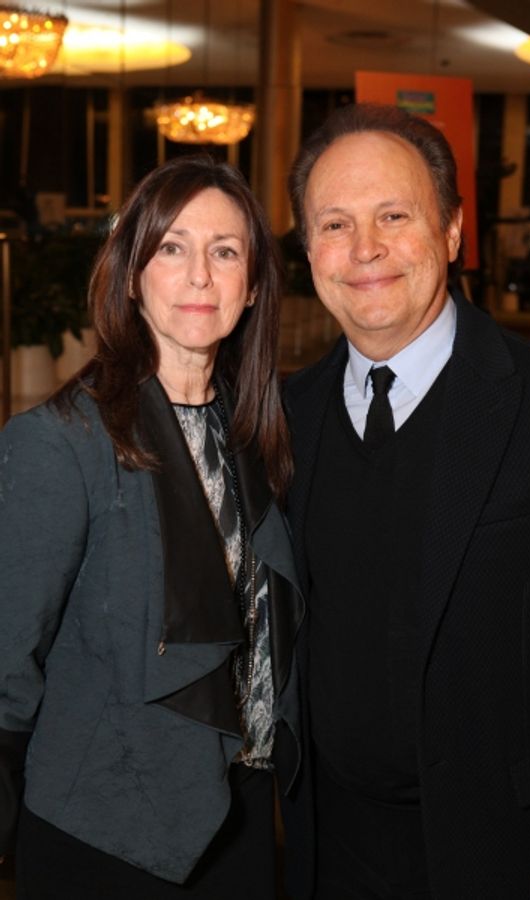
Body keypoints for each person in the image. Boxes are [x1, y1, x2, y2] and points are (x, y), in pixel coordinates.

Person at [281, 102, 530, 900]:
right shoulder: (288, 415)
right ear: (308, 250)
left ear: (454, 231)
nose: (366, 251)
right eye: (334, 225)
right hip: (327, 851)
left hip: (505, 854)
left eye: (395, 215)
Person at [0, 153, 304, 899]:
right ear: (132, 274)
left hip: (242, 825)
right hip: (107, 834)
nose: (200, 275)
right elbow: (4, 670)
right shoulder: (61, 442)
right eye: (172, 247)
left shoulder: (261, 437)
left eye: (225, 252)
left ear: (254, 283)